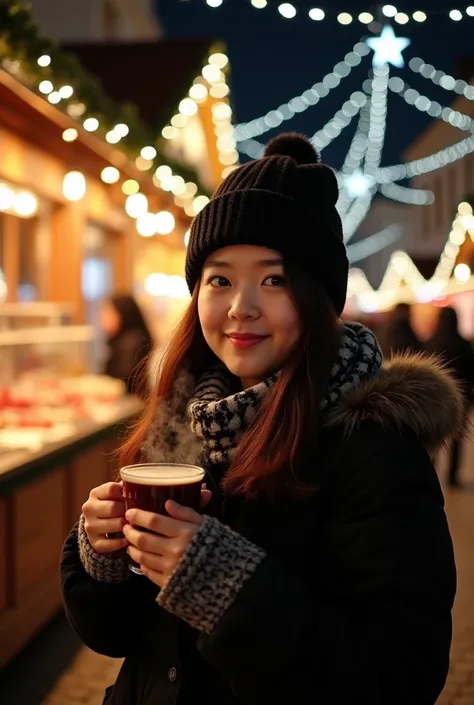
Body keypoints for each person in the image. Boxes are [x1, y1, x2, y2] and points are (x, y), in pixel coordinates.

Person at [60, 134, 460, 705]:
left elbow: (399, 676)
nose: (241, 306)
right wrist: (101, 556)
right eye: (219, 279)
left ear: (318, 298)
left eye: (273, 280)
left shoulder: (372, 447)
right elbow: (116, 636)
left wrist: (225, 587)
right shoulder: (180, 423)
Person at [425, 306, 474, 487]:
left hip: (435, 398)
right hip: (460, 399)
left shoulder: (430, 342)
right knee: (456, 440)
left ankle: (431, 475)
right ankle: (452, 477)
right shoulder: (463, 344)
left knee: (432, 438)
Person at [99, 294, 154, 396]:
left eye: (108, 313)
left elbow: (124, 384)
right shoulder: (118, 341)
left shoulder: (132, 342)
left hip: (133, 406)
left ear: (122, 315)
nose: (102, 319)